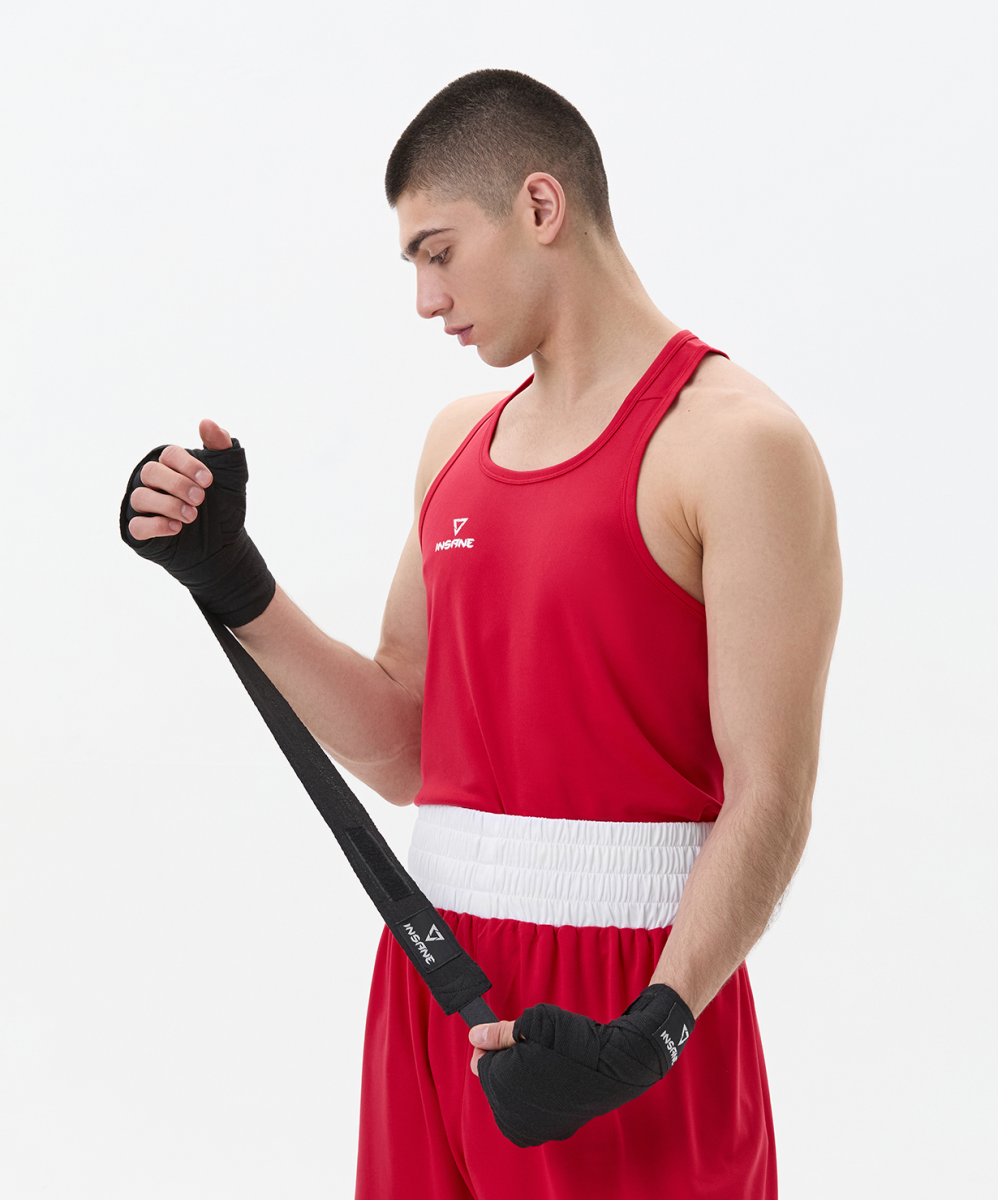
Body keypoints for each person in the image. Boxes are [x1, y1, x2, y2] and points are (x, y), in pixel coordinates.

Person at [123, 70, 841, 1199]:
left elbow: (771, 795)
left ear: (540, 207)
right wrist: (233, 580)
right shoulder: (456, 443)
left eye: (439, 251)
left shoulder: (736, 445)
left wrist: (653, 1028)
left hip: (627, 1007)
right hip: (435, 979)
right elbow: (404, 750)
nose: (425, 298)